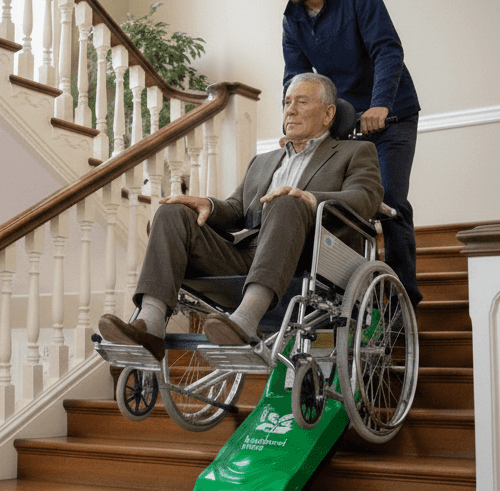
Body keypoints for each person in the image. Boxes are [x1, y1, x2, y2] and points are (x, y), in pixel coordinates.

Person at [97, 73, 383, 360]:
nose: (290, 110)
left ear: (328, 114)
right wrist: (208, 204)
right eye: (287, 102)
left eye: (302, 102)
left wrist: (310, 199)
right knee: (172, 211)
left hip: (307, 258)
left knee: (287, 201)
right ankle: (150, 323)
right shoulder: (263, 161)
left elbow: (366, 197)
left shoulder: (355, 152)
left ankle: (246, 320)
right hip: (249, 255)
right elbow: (237, 209)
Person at [258, 0, 423, 307]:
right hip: (345, 121)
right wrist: (293, 124)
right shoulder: (292, 21)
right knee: (339, 203)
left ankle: (404, 304)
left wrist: (379, 105)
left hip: (392, 115)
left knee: (390, 202)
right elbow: (295, 78)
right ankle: (349, 298)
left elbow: (386, 50)